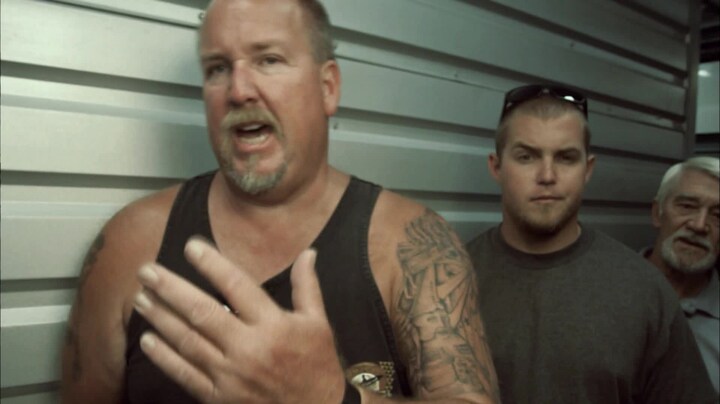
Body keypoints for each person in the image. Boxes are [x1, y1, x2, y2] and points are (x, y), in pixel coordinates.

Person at [60, 0, 499, 403]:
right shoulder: (130, 244)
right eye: (217, 68)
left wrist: (329, 398)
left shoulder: (414, 246)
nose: (238, 90)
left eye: (268, 60)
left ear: (328, 88)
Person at [465, 84, 716, 403]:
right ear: (497, 167)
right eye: (526, 157)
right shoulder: (451, 280)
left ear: (588, 169)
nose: (547, 175)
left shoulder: (644, 291)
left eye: (566, 158)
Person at [644, 156, 719, 395]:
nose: (699, 225)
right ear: (657, 213)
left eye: (718, 216)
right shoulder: (600, 289)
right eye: (687, 206)